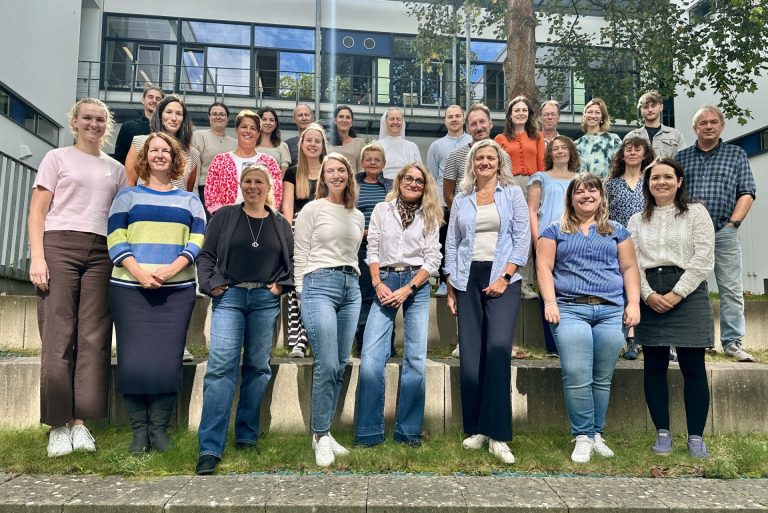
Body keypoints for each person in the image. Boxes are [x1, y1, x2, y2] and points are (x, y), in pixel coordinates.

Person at [28, 98, 127, 458]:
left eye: (100, 119)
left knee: (94, 337)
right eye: (87, 118)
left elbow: (118, 216)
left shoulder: (116, 169)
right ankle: (57, 425)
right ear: (75, 122)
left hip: (101, 251)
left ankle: (82, 424)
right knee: (58, 335)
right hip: (59, 245)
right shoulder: (57, 158)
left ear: (107, 125)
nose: (94, 124)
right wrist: (38, 256)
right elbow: (38, 211)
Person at [107, 132, 205, 455]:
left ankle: (159, 431)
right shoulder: (127, 197)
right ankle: (139, 433)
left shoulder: (190, 200)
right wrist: (139, 271)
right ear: (144, 157)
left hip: (175, 291)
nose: (160, 155)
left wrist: (169, 269)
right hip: (130, 288)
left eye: (166, 150)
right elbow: (116, 238)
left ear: (175, 158)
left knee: (167, 360)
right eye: (154, 150)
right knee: (133, 360)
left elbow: (197, 239)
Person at [195, 165, 294, 475]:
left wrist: (281, 285)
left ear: (269, 187)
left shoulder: (279, 223)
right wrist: (210, 284)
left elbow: (289, 262)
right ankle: (210, 447)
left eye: (259, 182)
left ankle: (247, 437)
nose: (253, 187)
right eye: (248, 181)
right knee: (221, 367)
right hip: (230, 297)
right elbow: (206, 255)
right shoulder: (224, 216)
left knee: (258, 368)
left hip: (265, 301)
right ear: (241, 184)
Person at [536, 173, 640, 464]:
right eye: (579, 191)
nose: (586, 195)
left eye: (592, 190)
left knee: (602, 377)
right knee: (577, 374)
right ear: (571, 197)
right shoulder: (554, 230)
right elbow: (544, 268)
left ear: (601, 196)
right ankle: (582, 435)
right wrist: (550, 302)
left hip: (611, 311)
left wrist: (633, 304)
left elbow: (630, 268)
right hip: (569, 309)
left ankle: (596, 434)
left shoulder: (617, 230)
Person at [444, 139, 529, 465]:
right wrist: (450, 284)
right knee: (472, 357)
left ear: (499, 162)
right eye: (479, 157)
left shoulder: (512, 194)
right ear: (472, 163)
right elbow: (452, 241)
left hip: (502, 278)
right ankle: (478, 428)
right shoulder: (463, 198)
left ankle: (499, 435)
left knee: (496, 351)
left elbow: (522, 239)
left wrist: (506, 277)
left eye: (490, 157)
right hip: (467, 279)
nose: (484, 162)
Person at [628, 158, 715, 459]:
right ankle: (662, 433)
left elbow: (703, 257)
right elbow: (632, 263)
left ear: (679, 181)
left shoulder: (696, 213)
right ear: (647, 184)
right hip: (649, 291)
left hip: (687, 291)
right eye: (654, 178)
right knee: (654, 366)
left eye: (667, 177)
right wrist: (648, 295)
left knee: (693, 367)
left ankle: (696, 437)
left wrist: (677, 294)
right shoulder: (636, 220)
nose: (661, 182)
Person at [354, 163, 442, 448]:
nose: (414, 183)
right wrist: (379, 283)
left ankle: (408, 432)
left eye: (419, 180)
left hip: (415, 284)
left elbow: (432, 258)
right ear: (400, 180)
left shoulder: (430, 213)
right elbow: (373, 248)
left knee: (415, 359)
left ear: (425, 185)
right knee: (370, 358)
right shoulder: (382, 209)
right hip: (385, 279)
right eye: (409, 178)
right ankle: (368, 433)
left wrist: (408, 288)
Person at [294, 153, 364, 467]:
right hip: (318, 285)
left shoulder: (357, 215)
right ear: (322, 177)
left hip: (351, 288)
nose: (336, 175)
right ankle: (320, 435)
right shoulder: (312, 209)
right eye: (330, 171)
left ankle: (326, 432)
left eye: (341, 170)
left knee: (339, 363)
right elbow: (300, 253)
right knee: (326, 364)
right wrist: (300, 291)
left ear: (349, 176)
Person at [676, 105, 757, 362]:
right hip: (688, 232)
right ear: (695, 128)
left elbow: (747, 192)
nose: (708, 126)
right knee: (689, 286)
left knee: (730, 288)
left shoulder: (736, 154)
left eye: (713, 122)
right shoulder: (682, 157)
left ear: (721, 126)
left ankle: (732, 342)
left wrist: (733, 223)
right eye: (703, 123)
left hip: (723, 230)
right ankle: (696, 340)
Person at [527, 135, 579, 357]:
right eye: (555, 148)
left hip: (576, 240)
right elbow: (531, 210)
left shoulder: (580, 179)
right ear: (549, 154)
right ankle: (553, 345)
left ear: (571, 152)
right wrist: (537, 240)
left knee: (571, 289)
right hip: (547, 239)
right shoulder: (540, 178)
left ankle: (573, 340)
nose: (559, 151)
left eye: (563, 148)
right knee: (548, 291)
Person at [605, 137, 655, 361]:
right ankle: (630, 339)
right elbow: (603, 215)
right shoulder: (610, 184)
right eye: (628, 148)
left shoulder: (652, 181)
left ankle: (656, 339)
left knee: (650, 287)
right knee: (626, 289)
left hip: (648, 242)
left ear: (645, 154)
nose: (632, 152)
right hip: (619, 243)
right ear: (622, 154)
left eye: (638, 149)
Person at [283, 123, 328, 358]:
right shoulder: (292, 172)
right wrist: (287, 236)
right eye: (308, 140)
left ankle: (317, 338)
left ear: (323, 146)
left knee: (320, 286)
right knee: (296, 288)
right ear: (301, 144)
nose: (312, 144)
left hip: (324, 233)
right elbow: (288, 207)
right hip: (298, 230)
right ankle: (298, 341)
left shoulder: (330, 170)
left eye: (317, 141)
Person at [494, 95, 545, 300]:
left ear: (529, 114)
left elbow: (541, 166)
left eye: (524, 110)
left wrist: (541, 188)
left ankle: (526, 281)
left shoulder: (538, 136)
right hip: (509, 185)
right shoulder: (500, 139)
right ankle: (507, 275)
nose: (521, 113)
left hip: (532, 184)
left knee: (530, 231)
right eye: (517, 110)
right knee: (510, 231)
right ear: (510, 114)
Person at [426, 105, 471, 298]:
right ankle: (445, 282)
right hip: (443, 202)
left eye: (457, 116)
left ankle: (465, 278)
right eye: (450, 117)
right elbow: (434, 174)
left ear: (463, 118)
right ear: (445, 121)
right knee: (444, 241)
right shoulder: (436, 146)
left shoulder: (472, 141)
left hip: (468, 198)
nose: (454, 119)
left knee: (465, 240)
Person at [354, 143, 393, 353]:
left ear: (384, 163)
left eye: (377, 159)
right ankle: (362, 343)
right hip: (360, 245)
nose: (372, 162)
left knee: (386, 294)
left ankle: (387, 344)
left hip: (384, 247)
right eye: (368, 159)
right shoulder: (353, 185)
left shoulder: (390, 186)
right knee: (364, 293)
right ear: (362, 162)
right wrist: (360, 231)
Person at [204, 109, 283, 213]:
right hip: (226, 222)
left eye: (253, 128)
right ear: (236, 129)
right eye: (244, 127)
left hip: (259, 222)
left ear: (258, 133)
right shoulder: (220, 160)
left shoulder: (269, 162)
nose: (248, 131)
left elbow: (276, 194)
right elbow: (211, 195)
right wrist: (224, 218)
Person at [125, 95, 200, 192]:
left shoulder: (192, 154)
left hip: (176, 206)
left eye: (178, 114)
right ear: (160, 115)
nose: (173, 118)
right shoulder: (140, 142)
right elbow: (129, 183)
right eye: (168, 112)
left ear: (183, 119)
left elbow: (188, 191)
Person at [191, 102, 237, 216]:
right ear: (209, 117)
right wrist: (194, 191)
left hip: (229, 193)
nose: (218, 117)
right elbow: (193, 165)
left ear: (227, 118)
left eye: (222, 114)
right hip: (204, 190)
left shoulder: (235, 143)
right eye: (214, 114)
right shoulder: (199, 135)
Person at [624, 90, 686, 158]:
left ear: (661, 107)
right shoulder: (631, 136)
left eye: (653, 106)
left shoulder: (676, 136)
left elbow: (682, 162)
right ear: (641, 110)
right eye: (645, 107)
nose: (650, 110)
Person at [113, 85, 164, 164]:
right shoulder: (128, 127)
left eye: (158, 99)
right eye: (150, 97)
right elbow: (120, 158)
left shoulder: (166, 128)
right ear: (143, 100)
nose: (154, 101)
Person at [575, 98, 622, 179]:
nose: (593, 116)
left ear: (602, 117)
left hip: (609, 188)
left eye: (597, 112)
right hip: (585, 188)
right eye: (590, 112)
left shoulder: (614, 140)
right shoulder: (576, 144)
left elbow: (621, 167)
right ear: (584, 115)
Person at [375, 107, 422, 179]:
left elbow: (419, 171)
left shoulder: (412, 147)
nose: (395, 122)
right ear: (385, 122)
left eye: (398, 119)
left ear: (402, 122)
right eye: (392, 119)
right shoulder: (377, 146)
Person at [329, 105, 366, 171]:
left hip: (353, 180)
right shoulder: (326, 143)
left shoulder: (359, 143)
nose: (344, 120)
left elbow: (362, 170)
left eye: (348, 117)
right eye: (341, 117)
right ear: (335, 120)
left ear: (351, 122)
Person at [256, 106, 291, 174]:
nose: (268, 123)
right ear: (257, 122)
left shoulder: (282, 146)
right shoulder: (250, 144)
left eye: (271, 120)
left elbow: (283, 174)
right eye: (264, 119)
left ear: (275, 124)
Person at [285, 103, 314, 167]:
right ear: (294, 119)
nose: (304, 118)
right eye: (300, 115)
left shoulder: (322, 142)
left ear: (312, 117)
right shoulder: (287, 145)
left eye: (306, 115)